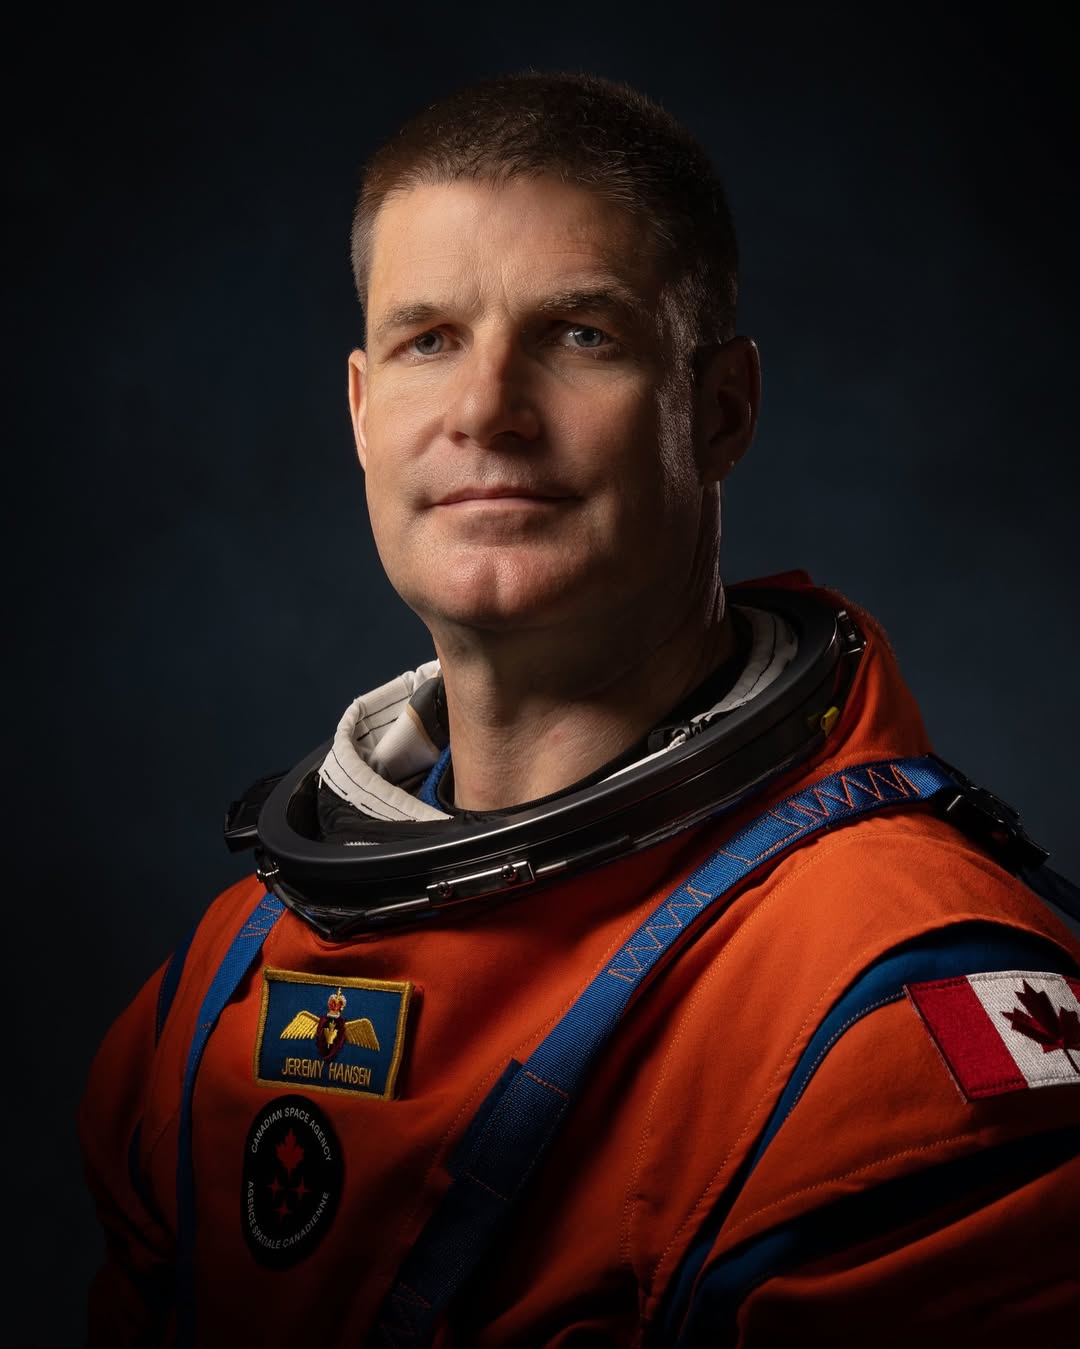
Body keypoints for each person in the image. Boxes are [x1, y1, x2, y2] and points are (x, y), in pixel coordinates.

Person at [78, 71, 1080, 1349]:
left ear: (720, 410)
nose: (486, 411)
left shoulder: (886, 1013)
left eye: (579, 335)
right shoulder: (217, 991)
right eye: (429, 339)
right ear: (362, 411)